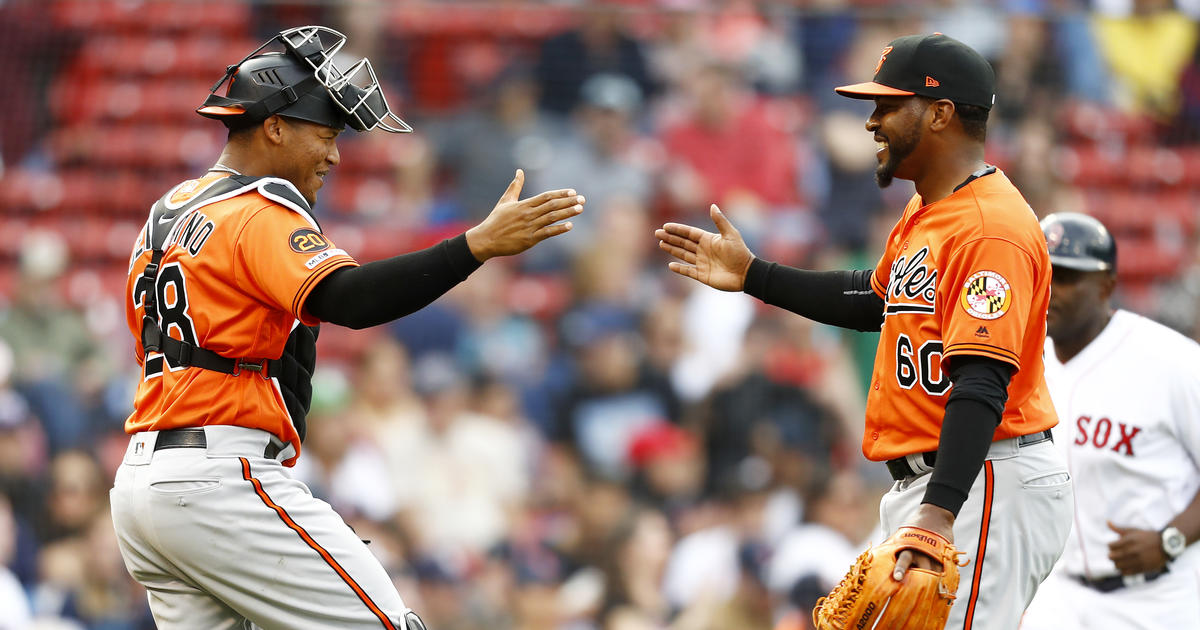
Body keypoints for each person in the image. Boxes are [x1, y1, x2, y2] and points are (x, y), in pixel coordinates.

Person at [108, 26, 585, 630]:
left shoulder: (168, 211)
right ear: (276, 127)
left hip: (145, 485)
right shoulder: (256, 209)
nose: (334, 156)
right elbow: (350, 300)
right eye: (326, 135)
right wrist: (475, 246)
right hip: (219, 479)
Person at [656, 33, 1073, 628]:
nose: (872, 122)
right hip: (953, 484)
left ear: (940, 113)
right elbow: (873, 299)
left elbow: (982, 383)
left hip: (983, 484)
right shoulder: (930, 209)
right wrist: (755, 275)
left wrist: (939, 513)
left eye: (887, 105)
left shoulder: (989, 228)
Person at [1021, 213, 1200, 629]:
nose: (1049, 292)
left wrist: (1170, 539)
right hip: (1058, 597)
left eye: (1066, 277)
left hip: (1159, 598)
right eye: (1043, 275)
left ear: (1107, 284)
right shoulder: (1024, 366)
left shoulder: (1173, 362)